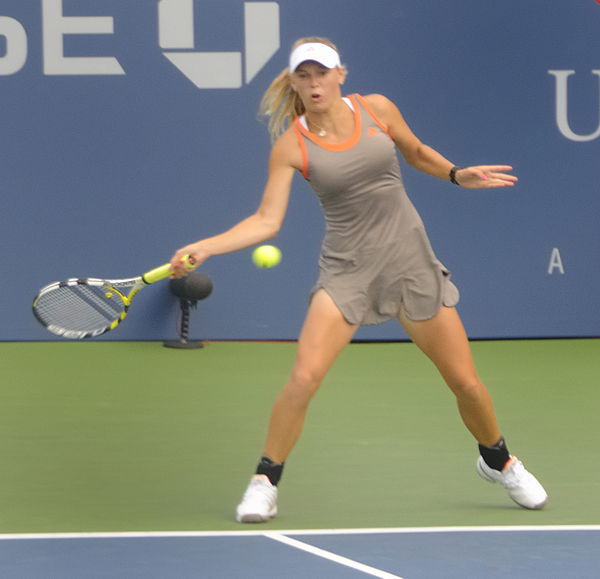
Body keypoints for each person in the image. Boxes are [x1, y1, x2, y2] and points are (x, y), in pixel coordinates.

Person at [170, 37, 548, 522]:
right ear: (294, 82)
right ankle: (265, 480)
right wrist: (207, 245)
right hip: (348, 270)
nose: (313, 83)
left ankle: (499, 460)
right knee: (304, 378)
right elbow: (266, 221)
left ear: (340, 74)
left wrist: (456, 174)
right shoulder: (292, 145)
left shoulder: (376, 109)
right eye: (303, 76)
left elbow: (414, 152)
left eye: (321, 73)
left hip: (411, 262)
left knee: (467, 385)